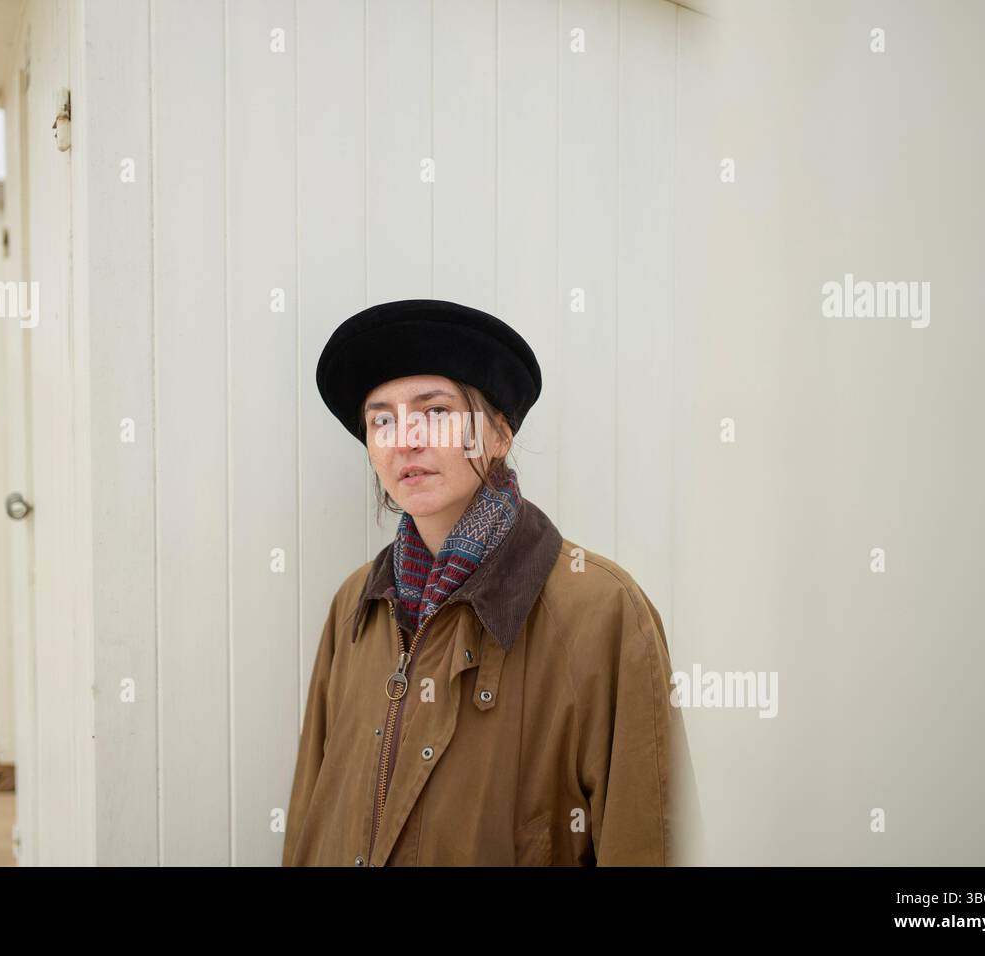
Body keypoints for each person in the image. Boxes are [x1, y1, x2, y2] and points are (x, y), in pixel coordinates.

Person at [284, 298, 697, 866]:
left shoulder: (602, 610)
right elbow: (311, 814)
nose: (404, 439)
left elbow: (648, 840)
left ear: (499, 434)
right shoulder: (356, 603)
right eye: (382, 419)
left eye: (435, 411)